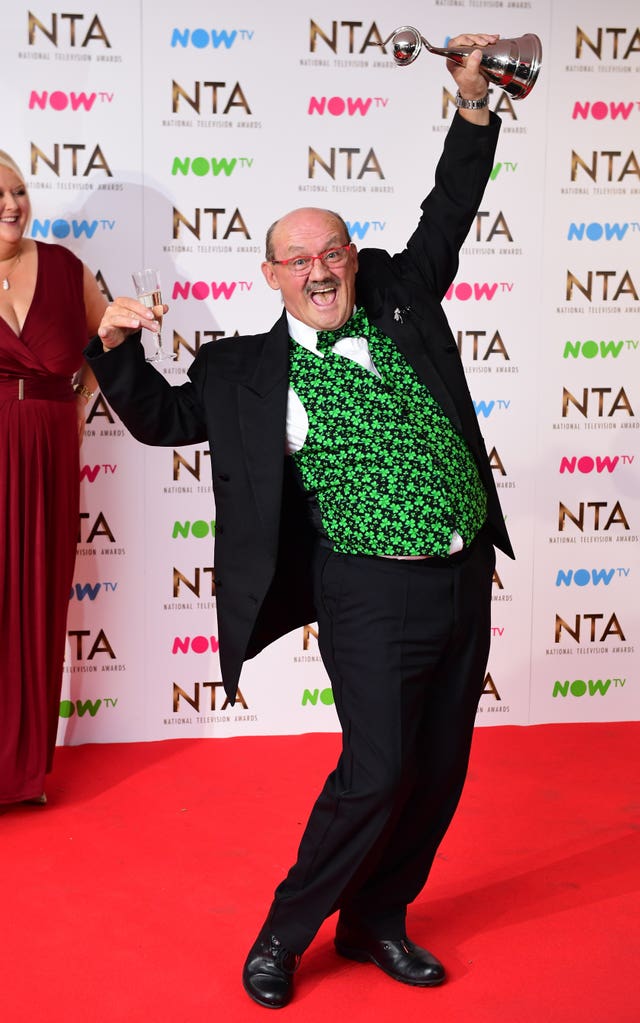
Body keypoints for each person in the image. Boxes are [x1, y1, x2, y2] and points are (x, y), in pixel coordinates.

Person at [86, 36, 514, 1008]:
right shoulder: (245, 369)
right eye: (298, 259)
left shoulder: (400, 297)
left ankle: (376, 920)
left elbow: (450, 207)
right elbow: (162, 421)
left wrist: (474, 107)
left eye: (332, 252)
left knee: (437, 773)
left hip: (460, 573)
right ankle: (285, 931)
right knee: (376, 771)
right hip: (366, 588)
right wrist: (113, 347)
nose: (320, 270)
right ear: (271, 275)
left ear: (351, 260)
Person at [0, 151, 107, 808]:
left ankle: (20, 772)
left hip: (45, 454)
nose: (12, 204)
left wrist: (75, 403)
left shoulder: (66, 269)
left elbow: (107, 340)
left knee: (37, 600)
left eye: (17, 191)